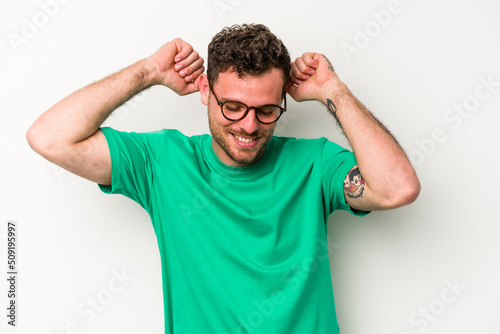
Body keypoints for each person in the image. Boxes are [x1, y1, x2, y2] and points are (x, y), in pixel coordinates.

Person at [27, 24, 420, 334]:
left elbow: (397, 187)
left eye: (267, 110)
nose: (249, 126)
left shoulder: (313, 163)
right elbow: (49, 138)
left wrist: (334, 90)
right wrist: (146, 72)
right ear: (204, 90)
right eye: (233, 107)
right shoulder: (163, 161)